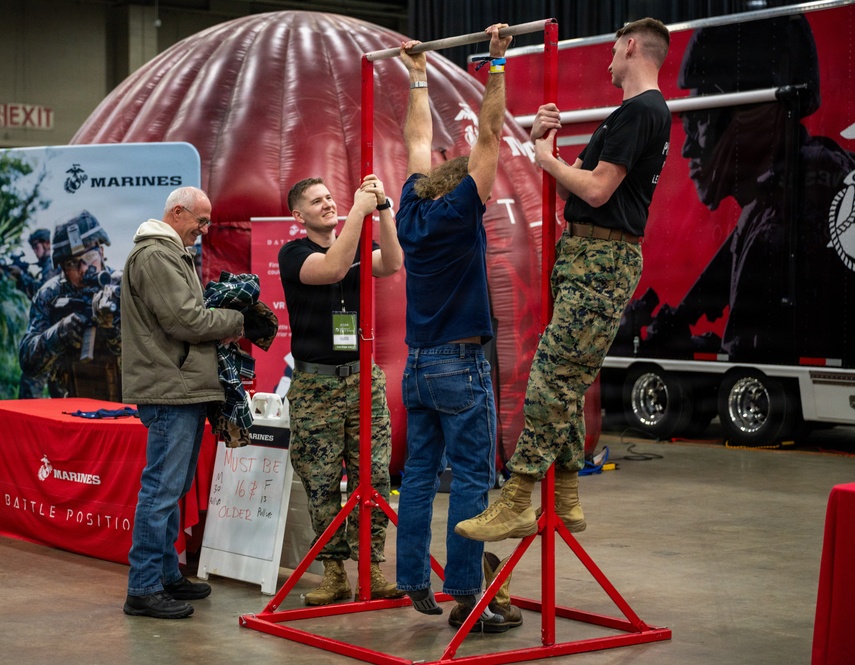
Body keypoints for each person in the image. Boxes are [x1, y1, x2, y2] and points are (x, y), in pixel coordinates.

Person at [455, 19, 671, 545]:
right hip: (585, 253)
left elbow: (595, 190)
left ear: (629, 46)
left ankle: (516, 497)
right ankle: (568, 487)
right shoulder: (630, 115)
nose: (608, 62)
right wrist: (542, 147)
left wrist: (547, 158)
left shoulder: (641, 112)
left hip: (601, 259)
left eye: (613, 52)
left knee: (550, 379)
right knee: (567, 378)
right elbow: (574, 192)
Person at [631, 15, 855, 366]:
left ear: (745, 112)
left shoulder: (775, 225)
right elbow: (716, 280)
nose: (687, 149)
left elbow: (749, 362)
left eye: (697, 121)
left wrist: (684, 352)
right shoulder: (816, 174)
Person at [394, 24, 523, 633]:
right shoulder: (463, 209)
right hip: (459, 365)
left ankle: (415, 579)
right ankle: (468, 593)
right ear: (467, 191)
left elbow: (417, 137)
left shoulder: (413, 210)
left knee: (418, 475)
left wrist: (417, 73)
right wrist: (496, 64)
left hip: (418, 365)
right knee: (472, 476)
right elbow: (491, 133)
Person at [278, 174, 403, 605]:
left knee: (376, 475)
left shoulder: (357, 246)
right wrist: (358, 211)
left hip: (361, 380)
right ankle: (334, 573)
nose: (328, 205)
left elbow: (391, 262)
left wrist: (383, 209)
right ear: (299, 215)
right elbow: (332, 267)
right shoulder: (294, 253)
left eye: (330, 198)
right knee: (322, 482)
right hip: (317, 388)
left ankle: (372, 566)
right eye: (317, 202)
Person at [121, 186, 244, 619]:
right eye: (201, 221)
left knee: (171, 491)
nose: (205, 230)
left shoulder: (169, 253)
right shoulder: (155, 256)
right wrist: (236, 319)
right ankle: (143, 587)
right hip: (170, 390)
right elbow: (184, 319)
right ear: (177, 212)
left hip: (182, 387)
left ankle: (166, 575)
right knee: (160, 490)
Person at [18, 211, 123, 401]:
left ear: (102, 252)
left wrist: (114, 328)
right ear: (62, 268)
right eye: (73, 263)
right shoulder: (50, 296)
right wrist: (58, 334)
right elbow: (28, 363)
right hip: (70, 408)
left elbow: (156, 356)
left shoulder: (124, 287)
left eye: (90, 257)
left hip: (127, 407)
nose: (83, 269)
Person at [18, 227, 60, 398]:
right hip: (52, 333)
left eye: (36, 246)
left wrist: (22, 276)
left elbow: (44, 293)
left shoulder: (51, 264)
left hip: (50, 333)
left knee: (31, 387)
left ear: (47, 244)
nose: (35, 252)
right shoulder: (49, 265)